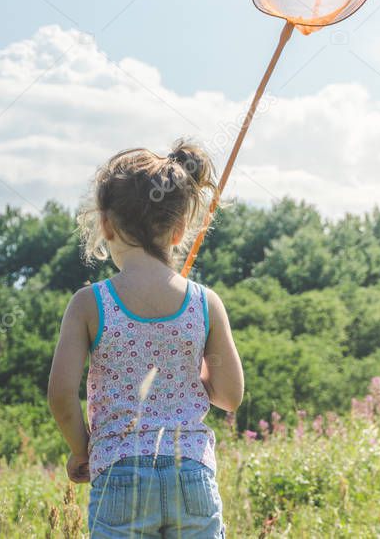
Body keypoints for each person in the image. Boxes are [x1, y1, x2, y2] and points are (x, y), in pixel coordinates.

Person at [48, 139, 244, 538]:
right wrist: (190, 367)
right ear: (178, 230)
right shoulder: (205, 303)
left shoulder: (90, 303)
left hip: (120, 473)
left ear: (105, 224)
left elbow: (60, 395)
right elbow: (229, 396)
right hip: (190, 472)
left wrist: (82, 451)